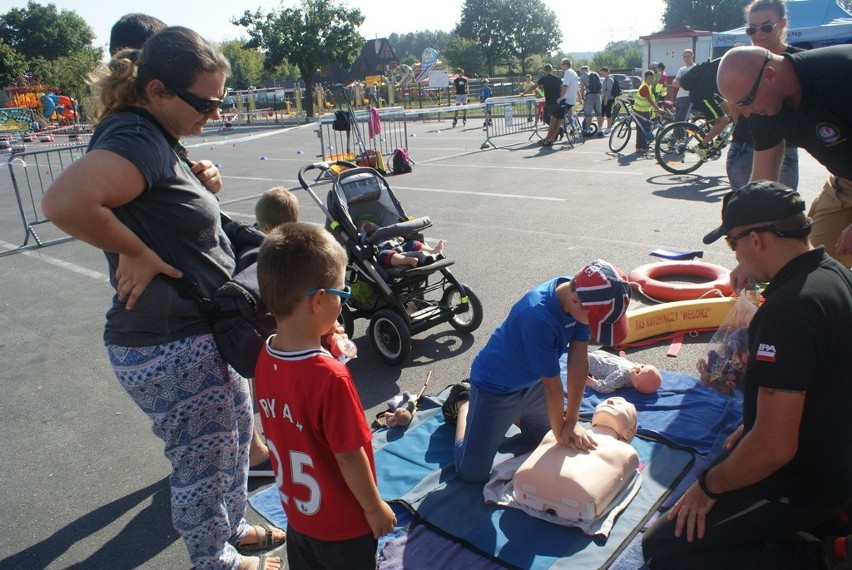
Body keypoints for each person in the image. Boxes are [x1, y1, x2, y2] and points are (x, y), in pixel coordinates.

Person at [40, 27, 285, 570]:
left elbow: (167, 210)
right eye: (206, 102)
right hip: (168, 340)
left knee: (233, 440)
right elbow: (63, 201)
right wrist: (135, 251)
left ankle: (233, 525)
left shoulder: (157, 136)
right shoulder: (134, 136)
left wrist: (201, 187)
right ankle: (214, 558)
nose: (215, 113)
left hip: (200, 332)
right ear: (158, 91)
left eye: (220, 101)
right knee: (201, 462)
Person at [642, 181, 852, 569]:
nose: (735, 254)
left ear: (755, 240)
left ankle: (816, 555)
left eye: (732, 243)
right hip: (835, 459)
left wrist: (707, 487)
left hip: (801, 484)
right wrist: (757, 421)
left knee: (663, 549)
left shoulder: (788, 310)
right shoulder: (833, 275)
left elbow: (774, 448)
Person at [255, 222, 396, 569]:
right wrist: (374, 507)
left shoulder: (266, 354)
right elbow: (348, 456)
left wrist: (324, 345)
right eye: (342, 296)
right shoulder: (331, 377)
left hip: (299, 514)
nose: (342, 306)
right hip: (342, 527)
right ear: (319, 300)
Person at [441, 259, 632, 484]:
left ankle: (512, 415)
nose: (593, 329)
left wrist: (570, 421)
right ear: (575, 301)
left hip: (532, 383)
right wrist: (562, 427)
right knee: (472, 473)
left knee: (546, 440)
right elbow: (552, 384)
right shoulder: (539, 316)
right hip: (496, 387)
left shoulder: (580, 298)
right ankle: (465, 402)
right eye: (595, 323)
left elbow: (578, 363)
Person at [717, 45, 852, 269]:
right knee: (808, 265)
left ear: (770, 75)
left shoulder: (841, 74)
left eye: (747, 101)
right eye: (740, 106)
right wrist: (747, 260)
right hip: (844, 182)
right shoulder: (764, 107)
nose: (748, 113)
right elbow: (761, 183)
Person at [513, 397, 640, 522]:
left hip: (529, 484)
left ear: (628, 433)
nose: (610, 401)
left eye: (620, 405)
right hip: (573, 499)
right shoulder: (558, 430)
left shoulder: (626, 452)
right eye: (607, 401)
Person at [726, 0, 802, 192]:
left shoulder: (797, 61)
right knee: (745, 215)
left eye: (766, 27)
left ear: (782, 23)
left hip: (784, 147)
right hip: (744, 146)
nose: (759, 34)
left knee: (783, 216)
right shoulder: (741, 60)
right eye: (752, 29)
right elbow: (733, 104)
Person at [358, 220, 444, 268]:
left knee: (413, 243)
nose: (367, 226)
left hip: (398, 246)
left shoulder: (382, 231)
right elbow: (362, 240)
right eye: (364, 226)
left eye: (369, 224)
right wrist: (362, 228)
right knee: (385, 255)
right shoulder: (366, 238)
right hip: (385, 250)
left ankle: (433, 251)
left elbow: (400, 238)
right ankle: (410, 260)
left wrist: (397, 237)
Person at [586, 349, 662, 394]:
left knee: (582, 355)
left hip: (595, 363)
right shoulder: (633, 370)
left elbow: (606, 387)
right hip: (604, 357)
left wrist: (593, 383)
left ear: (636, 384)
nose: (637, 367)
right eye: (642, 366)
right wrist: (623, 359)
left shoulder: (621, 377)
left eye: (638, 372)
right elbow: (629, 365)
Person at [523, 63, 564, 146]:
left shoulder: (543, 79)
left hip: (550, 102)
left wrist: (524, 93)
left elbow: (533, 87)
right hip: (556, 102)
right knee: (548, 119)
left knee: (546, 119)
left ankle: (556, 132)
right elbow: (562, 89)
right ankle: (558, 130)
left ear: (544, 71)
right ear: (552, 70)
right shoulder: (557, 79)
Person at [632, 70, 661, 153]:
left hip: (640, 110)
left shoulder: (648, 85)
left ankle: (638, 147)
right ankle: (644, 147)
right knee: (644, 129)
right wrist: (658, 108)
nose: (651, 80)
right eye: (649, 78)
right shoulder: (645, 87)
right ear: (645, 78)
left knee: (640, 129)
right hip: (641, 111)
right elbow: (649, 100)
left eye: (652, 78)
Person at [579, 66, 603, 136]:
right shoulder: (596, 74)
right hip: (598, 95)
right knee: (599, 114)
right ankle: (600, 130)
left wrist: (582, 97)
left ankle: (588, 131)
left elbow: (582, 88)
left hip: (589, 95)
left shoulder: (583, 76)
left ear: (582, 70)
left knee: (588, 114)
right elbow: (600, 85)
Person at [672, 49, 696, 123]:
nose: (686, 58)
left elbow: (693, 83)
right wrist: (682, 84)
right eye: (684, 56)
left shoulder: (695, 68)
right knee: (676, 120)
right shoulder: (681, 69)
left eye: (688, 56)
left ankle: (681, 134)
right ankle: (677, 135)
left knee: (681, 120)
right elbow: (674, 82)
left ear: (692, 56)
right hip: (679, 96)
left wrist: (681, 83)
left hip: (688, 97)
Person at [600, 66, 617, 134]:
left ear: (607, 72)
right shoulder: (605, 79)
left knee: (608, 113)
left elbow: (609, 90)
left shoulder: (610, 80)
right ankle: (600, 127)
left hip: (609, 99)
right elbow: (603, 90)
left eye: (602, 73)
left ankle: (609, 128)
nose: (602, 75)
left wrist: (606, 99)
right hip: (604, 99)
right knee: (602, 113)